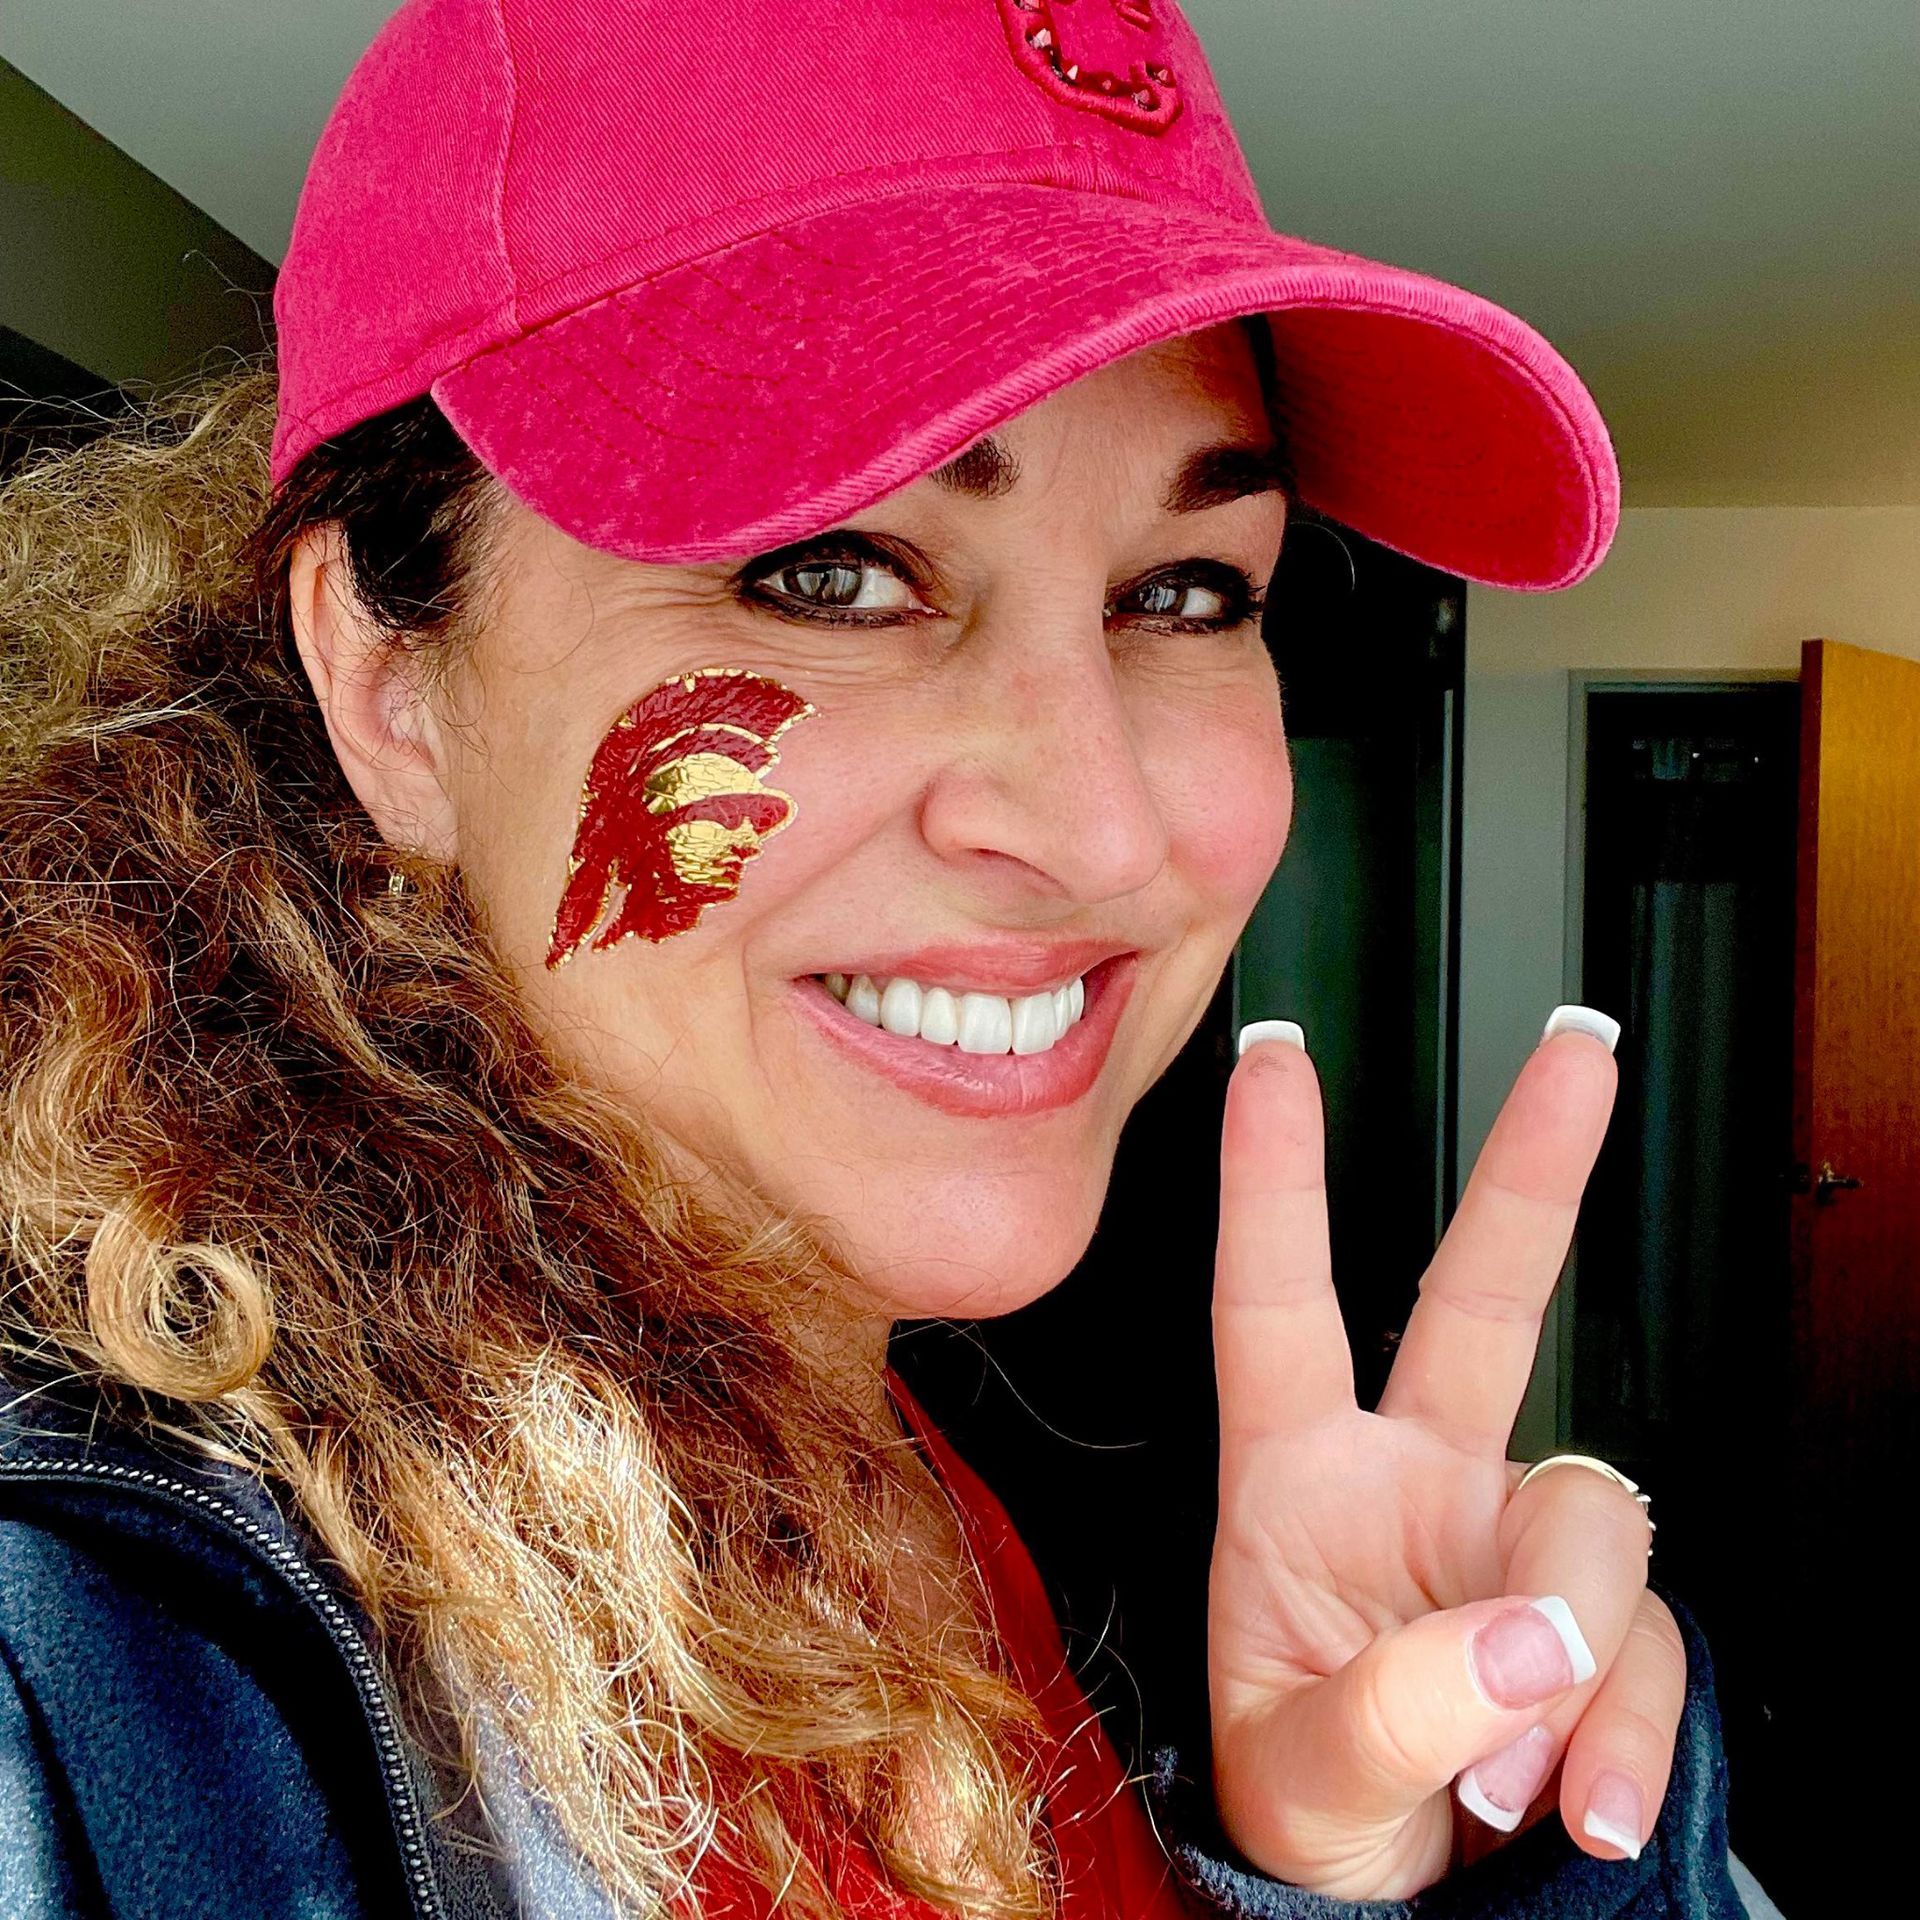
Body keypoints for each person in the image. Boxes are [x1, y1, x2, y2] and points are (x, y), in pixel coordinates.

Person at [0, 1, 1760, 1915]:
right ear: (387, 683)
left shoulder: (997, 1434)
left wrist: (1385, 1869)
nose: (1099, 829)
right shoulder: (89, 1673)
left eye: (1187, 592)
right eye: (831, 573)